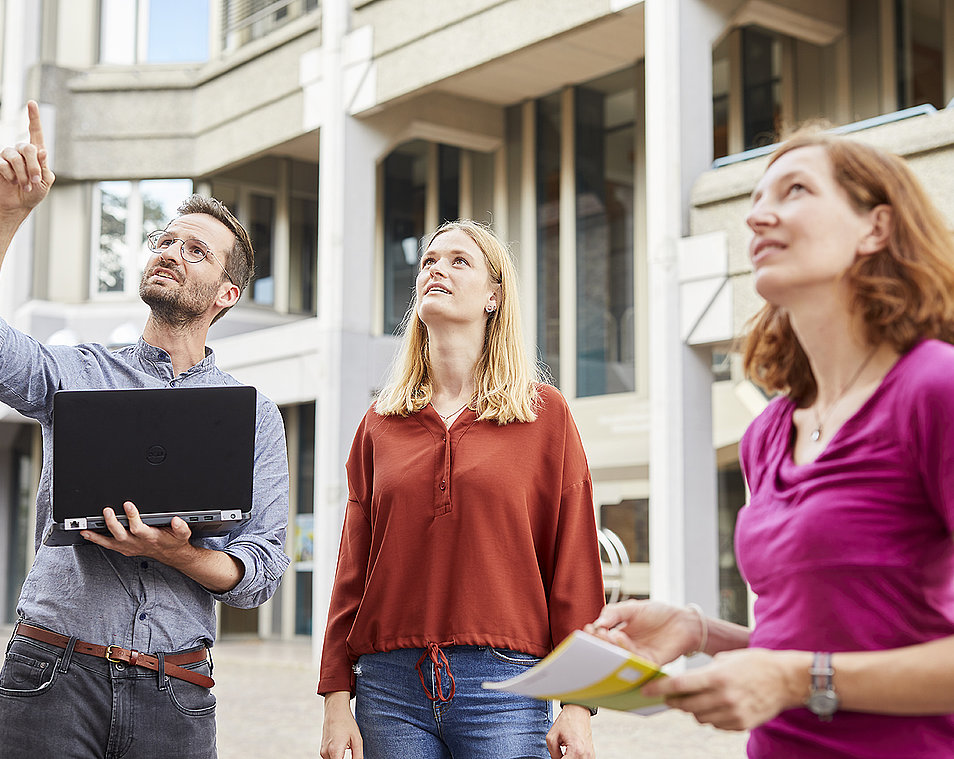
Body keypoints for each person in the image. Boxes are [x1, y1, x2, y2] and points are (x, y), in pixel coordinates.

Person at [587, 130, 954, 758]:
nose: (757, 215)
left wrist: (793, 678)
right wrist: (701, 631)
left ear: (876, 228)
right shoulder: (768, 433)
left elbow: (807, 672)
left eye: (796, 190)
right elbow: (816, 644)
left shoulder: (933, 389)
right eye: (756, 199)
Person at [0, 102, 290, 759]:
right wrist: (9, 215)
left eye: (194, 250)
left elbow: (262, 568)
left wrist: (176, 553)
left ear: (226, 293)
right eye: (164, 241)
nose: (170, 253)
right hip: (52, 673)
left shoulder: (253, 416)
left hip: (175, 689)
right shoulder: (76, 370)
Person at [318, 219, 605, 759]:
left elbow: (576, 565)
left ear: (494, 296)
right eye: (428, 260)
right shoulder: (380, 422)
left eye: (458, 261)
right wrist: (336, 696)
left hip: (507, 687)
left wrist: (578, 703)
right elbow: (351, 570)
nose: (436, 269)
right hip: (387, 689)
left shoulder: (544, 415)